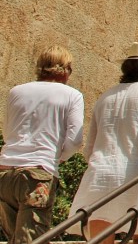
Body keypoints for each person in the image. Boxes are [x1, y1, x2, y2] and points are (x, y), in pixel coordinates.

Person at [70, 42, 138, 244]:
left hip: (99, 176)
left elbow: (89, 148)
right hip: (134, 175)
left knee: (101, 238)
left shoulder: (105, 97)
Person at [0, 46, 84, 244]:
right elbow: (75, 140)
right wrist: (59, 158)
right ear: (66, 70)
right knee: (31, 239)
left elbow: (8, 132)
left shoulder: (16, 92)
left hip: (4, 174)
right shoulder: (72, 95)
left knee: (14, 238)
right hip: (37, 175)